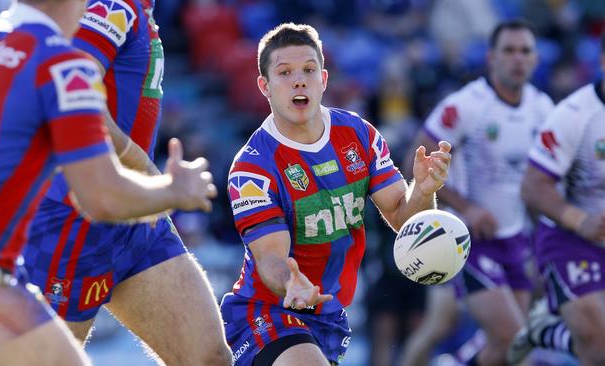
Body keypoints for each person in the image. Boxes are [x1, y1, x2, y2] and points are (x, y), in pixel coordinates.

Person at [0, 0, 216, 364]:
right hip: (48, 234)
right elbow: (101, 197)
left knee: (208, 356)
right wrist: (171, 188)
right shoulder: (64, 59)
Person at [219, 22, 452, 366]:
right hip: (268, 309)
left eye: (309, 70)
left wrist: (424, 189)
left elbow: (403, 218)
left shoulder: (358, 134)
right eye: (285, 72)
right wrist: (290, 282)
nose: (299, 80)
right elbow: (270, 258)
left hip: (328, 314)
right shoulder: (252, 168)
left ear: (324, 80)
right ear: (264, 86)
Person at [399, 19, 554, 365]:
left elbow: (544, 177)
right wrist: (466, 207)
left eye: (525, 51)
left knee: (503, 350)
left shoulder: (543, 108)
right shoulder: (466, 105)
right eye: (509, 51)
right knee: (514, 339)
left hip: (514, 239)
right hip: (465, 240)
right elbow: (416, 158)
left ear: (535, 59)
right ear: (491, 57)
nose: (517, 58)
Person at [511, 32, 605, 366]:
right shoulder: (574, 115)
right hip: (571, 237)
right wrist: (582, 222)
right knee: (598, 347)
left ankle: (548, 331)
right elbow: (533, 188)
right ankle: (546, 329)